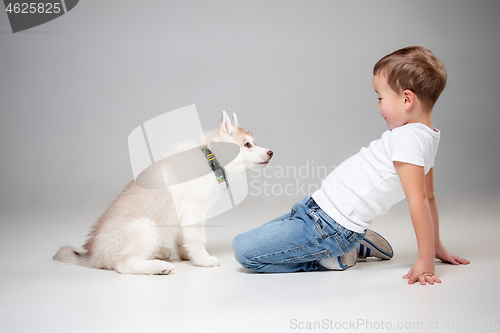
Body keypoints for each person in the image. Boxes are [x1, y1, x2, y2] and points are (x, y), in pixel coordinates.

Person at [232, 46, 470, 285]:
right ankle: (352, 243)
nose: (378, 106)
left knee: (244, 251)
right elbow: (429, 198)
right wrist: (435, 245)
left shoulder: (406, 139)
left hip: (329, 227)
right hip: (316, 210)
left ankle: (336, 255)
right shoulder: (427, 136)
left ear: (407, 99)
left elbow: (419, 201)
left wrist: (426, 259)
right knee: (252, 241)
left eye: (380, 98)